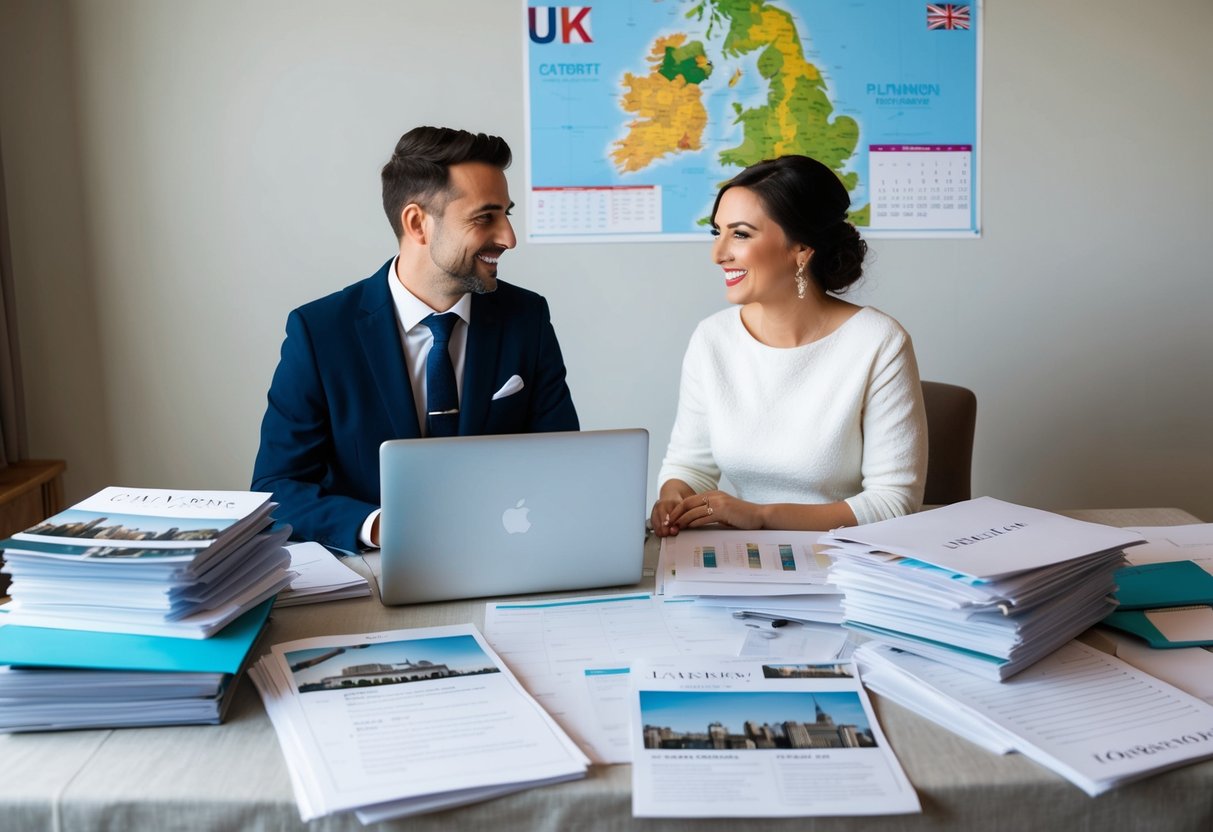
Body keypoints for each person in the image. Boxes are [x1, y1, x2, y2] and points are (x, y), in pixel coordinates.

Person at [252, 126, 578, 552]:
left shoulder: (527, 318)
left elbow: (565, 466)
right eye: (485, 217)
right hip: (374, 572)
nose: (508, 238)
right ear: (417, 223)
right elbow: (277, 489)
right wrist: (379, 526)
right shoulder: (320, 332)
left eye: (507, 215)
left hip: (505, 554)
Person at [650, 155, 927, 537]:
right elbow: (691, 467)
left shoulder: (879, 342)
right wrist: (674, 497)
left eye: (741, 234)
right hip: (744, 558)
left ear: (801, 249)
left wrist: (761, 515)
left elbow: (894, 503)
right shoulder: (711, 339)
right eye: (718, 232)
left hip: (850, 563)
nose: (718, 254)